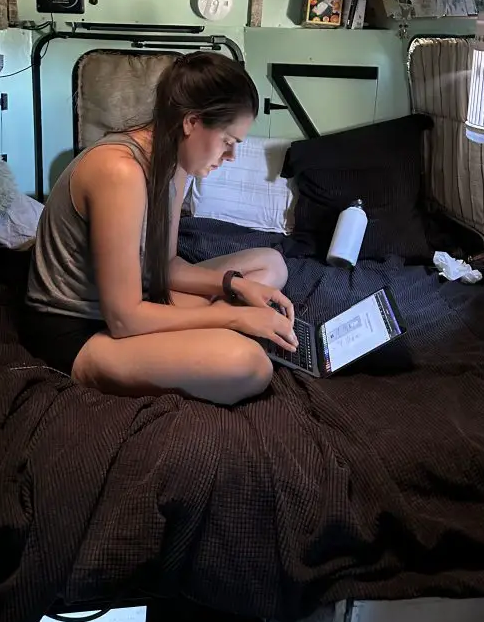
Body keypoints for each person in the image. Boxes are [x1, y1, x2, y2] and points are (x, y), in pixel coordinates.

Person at [23, 52, 298, 405]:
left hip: (134, 299)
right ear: (192, 122)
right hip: (79, 330)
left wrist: (235, 285)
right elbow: (123, 319)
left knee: (271, 264)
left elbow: (165, 267)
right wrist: (232, 318)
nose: (230, 157)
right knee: (251, 365)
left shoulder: (174, 164)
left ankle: (212, 324)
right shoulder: (119, 172)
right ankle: (212, 329)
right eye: (228, 141)